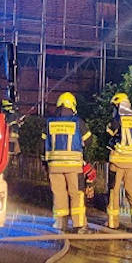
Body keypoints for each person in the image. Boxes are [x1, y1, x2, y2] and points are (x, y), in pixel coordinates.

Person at [42, 92, 90, 232]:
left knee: (59, 194)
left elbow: (42, 144)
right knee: (76, 194)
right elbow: (88, 140)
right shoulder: (78, 122)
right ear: (73, 106)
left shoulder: (49, 123)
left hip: (54, 165)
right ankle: (79, 225)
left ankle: (60, 224)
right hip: (73, 166)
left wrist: (45, 163)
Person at [105, 92, 132, 232]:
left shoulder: (118, 119)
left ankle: (113, 223)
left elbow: (109, 131)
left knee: (114, 192)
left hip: (118, 161)